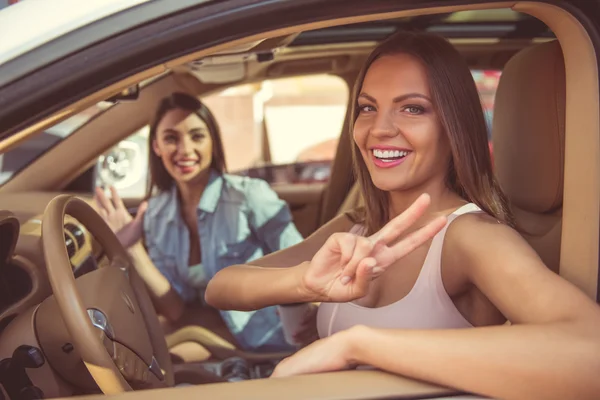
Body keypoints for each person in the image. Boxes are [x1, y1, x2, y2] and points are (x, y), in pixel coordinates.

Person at [205, 31, 600, 399]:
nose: (379, 129)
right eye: (367, 108)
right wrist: (304, 285)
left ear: (453, 127)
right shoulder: (355, 225)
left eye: (412, 109)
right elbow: (221, 287)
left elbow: (590, 351)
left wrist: (356, 345)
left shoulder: (470, 235)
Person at [95, 92, 304, 352]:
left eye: (197, 136)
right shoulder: (157, 214)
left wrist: (305, 322)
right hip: (204, 331)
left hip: (267, 338)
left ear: (213, 143)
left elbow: (302, 263)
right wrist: (133, 249)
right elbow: (174, 309)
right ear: (156, 147)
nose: (185, 150)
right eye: (171, 138)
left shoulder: (249, 196)